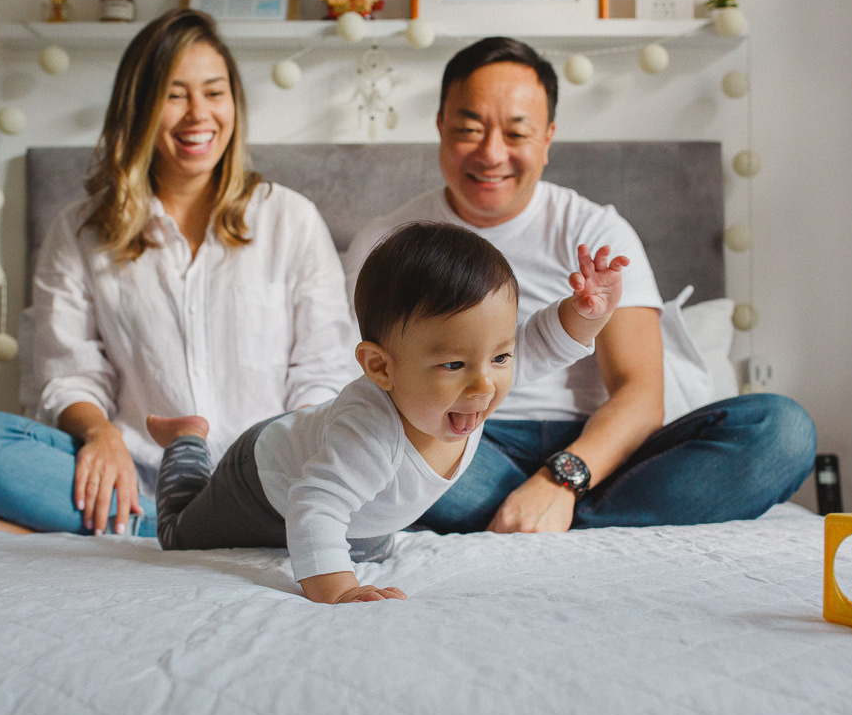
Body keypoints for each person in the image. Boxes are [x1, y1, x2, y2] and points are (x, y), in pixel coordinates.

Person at [343, 36, 817, 535]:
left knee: (782, 431)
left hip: (599, 452)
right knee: (373, 440)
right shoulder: (386, 243)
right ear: (440, 126)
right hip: (460, 441)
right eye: (468, 129)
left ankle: (547, 515)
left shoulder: (596, 232)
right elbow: (377, 383)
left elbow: (640, 395)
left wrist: (560, 482)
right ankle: (588, 522)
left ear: (547, 138)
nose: (491, 153)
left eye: (517, 133)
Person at [0, 9, 357, 537]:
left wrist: (283, 469)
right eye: (174, 95)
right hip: (135, 477)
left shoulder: (291, 219)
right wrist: (100, 435)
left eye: (214, 93)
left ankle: (130, 530)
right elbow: (68, 374)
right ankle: (185, 528)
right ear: (138, 107)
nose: (199, 114)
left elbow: (323, 373)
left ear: (233, 104)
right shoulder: (78, 233)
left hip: (261, 478)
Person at [147, 222, 629, 603]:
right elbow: (315, 507)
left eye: (500, 357)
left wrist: (588, 313)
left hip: (359, 503)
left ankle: (364, 533)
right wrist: (337, 589)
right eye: (453, 364)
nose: (484, 385)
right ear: (381, 367)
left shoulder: (476, 380)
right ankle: (188, 439)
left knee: (367, 536)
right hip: (263, 477)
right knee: (180, 536)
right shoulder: (370, 431)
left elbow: (539, 344)